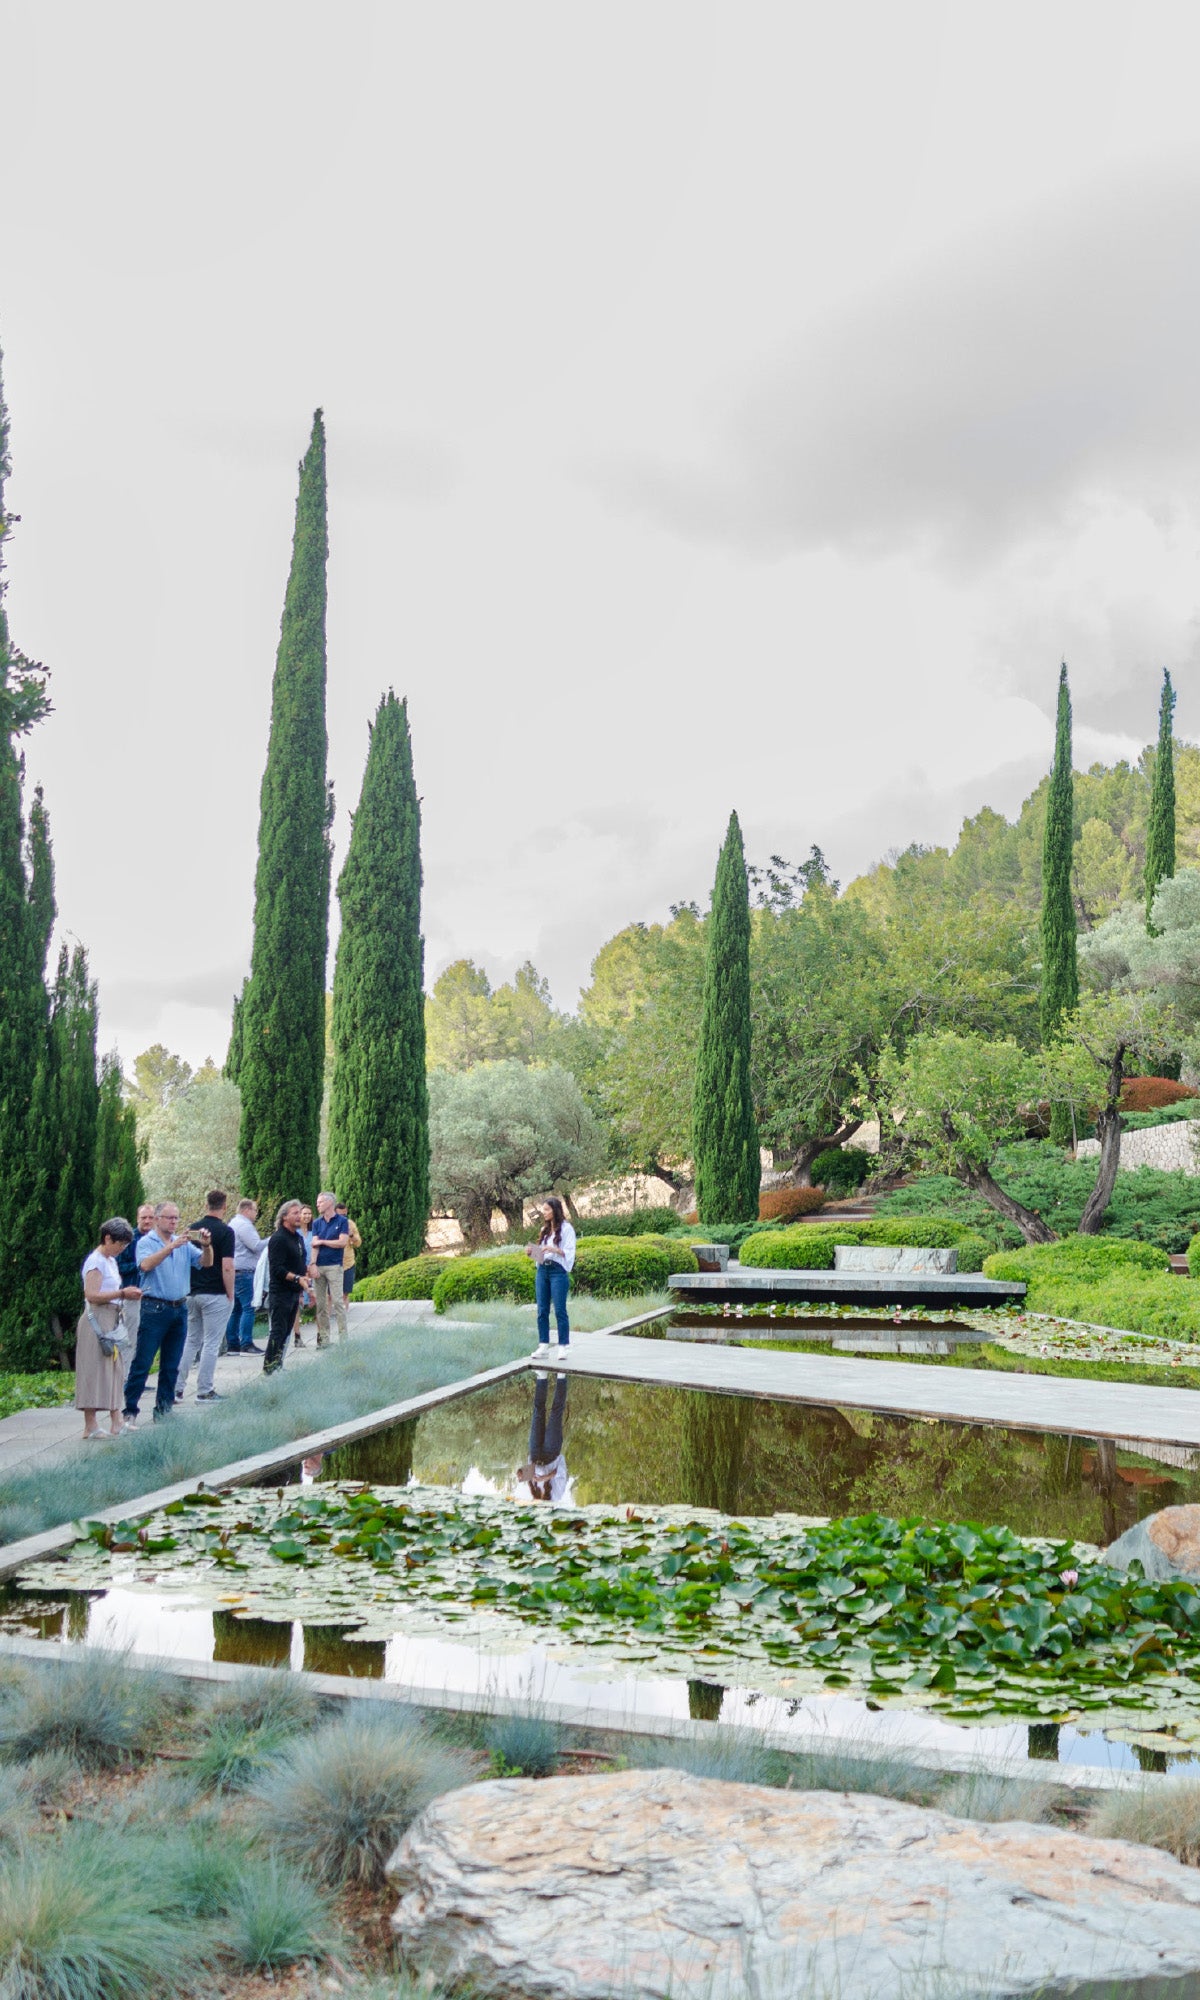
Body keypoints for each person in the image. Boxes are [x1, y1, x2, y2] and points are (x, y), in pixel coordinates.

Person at [123, 1202, 212, 1426]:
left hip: (179, 1307)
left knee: (171, 1363)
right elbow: (145, 1265)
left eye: (176, 1218)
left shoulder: (181, 1242)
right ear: (157, 1220)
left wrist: (207, 1246)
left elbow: (205, 1263)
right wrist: (170, 1248)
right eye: (169, 1218)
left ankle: (163, 1409)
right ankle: (129, 1410)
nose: (173, 1222)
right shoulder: (146, 1242)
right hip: (155, 1307)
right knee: (143, 1361)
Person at [77, 1217, 141, 1439]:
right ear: (107, 1238)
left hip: (112, 1317)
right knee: (93, 1371)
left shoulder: (111, 1261)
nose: (122, 1249)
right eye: (119, 1244)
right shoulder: (95, 1262)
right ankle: (90, 1425)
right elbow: (92, 1295)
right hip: (97, 1319)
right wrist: (122, 1293)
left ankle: (117, 1421)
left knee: (116, 1368)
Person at [177, 1190, 236, 1403]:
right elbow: (227, 1266)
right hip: (215, 1292)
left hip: (192, 1292)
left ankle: (176, 1387)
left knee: (191, 1340)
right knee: (211, 1342)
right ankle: (204, 1389)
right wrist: (230, 1292)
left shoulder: (191, 1229)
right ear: (225, 1206)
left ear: (206, 1204)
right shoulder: (226, 1232)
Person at [263, 1198, 313, 1373]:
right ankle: (269, 1369)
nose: (300, 1216)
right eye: (295, 1213)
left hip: (294, 1293)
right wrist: (297, 1278)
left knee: (286, 1333)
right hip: (280, 1293)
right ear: (284, 1217)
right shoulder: (278, 1239)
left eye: (301, 1212)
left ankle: (278, 1365)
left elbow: (300, 1264)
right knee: (277, 1332)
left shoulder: (298, 1238)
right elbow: (277, 1269)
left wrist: (307, 1279)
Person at [525, 1196, 576, 1359]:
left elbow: (569, 1252)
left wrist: (553, 1250)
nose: (544, 1213)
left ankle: (563, 1346)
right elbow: (541, 1254)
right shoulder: (544, 1230)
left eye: (547, 1209)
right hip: (542, 1271)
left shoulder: (567, 1229)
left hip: (557, 1272)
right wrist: (532, 1252)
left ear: (555, 1210)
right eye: (543, 1210)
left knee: (560, 1310)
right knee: (542, 1310)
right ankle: (543, 1345)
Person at [516, 1370, 569, 1502]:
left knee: (537, 1412)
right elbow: (561, 1472)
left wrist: (521, 1473)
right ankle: (561, 1377)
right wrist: (546, 1478)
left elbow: (527, 1472)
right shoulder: (556, 1497)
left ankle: (542, 1377)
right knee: (556, 1413)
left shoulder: (533, 1494)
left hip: (535, 1454)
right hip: (551, 1454)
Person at [310, 1191, 350, 1345]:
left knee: (338, 1302)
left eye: (320, 1202)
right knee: (321, 1305)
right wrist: (312, 1264)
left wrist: (323, 1242)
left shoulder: (342, 1221)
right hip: (319, 1266)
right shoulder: (316, 1223)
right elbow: (314, 1244)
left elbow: (342, 1242)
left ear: (329, 1203)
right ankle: (324, 1339)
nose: (317, 1205)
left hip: (334, 1266)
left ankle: (343, 1338)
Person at [226, 1198, 265, 1354]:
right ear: (247, 1210)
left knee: (235, 1309)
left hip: (236, 1270)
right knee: (249, 1307)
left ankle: (232, 1344)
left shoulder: (233, 1223)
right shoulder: (244, 1225)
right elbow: (255, 1246)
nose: (256, 1214)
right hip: (245, 1272)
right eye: (255, 1210)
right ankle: (246, 1343)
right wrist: (272, 1240)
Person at [116, 1202, 156, 1347]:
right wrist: (142, 1265)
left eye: (151, 1217)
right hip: (133, 1295)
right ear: (137, 1218)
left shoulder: (161, 1240)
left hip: (155, 1298)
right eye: (143, 1217)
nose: (147, 1221)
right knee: (130, 1338)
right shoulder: (128, 1240)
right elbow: (118, 1266)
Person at [292, 1203, 315, 1347]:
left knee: (316, 1301)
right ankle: (297, 1335)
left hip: (312, 1270)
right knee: (297, 1304)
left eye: (309, 1214)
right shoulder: (295, 1233)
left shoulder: (314, 1232)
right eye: (304, 1213)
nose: (306, 1216)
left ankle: (320, 1336)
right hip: (299, 1271)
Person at [337, 1200, 361, 1299]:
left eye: (345, 1215)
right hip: (333, 1263)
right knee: (330, 1293)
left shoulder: (350, 1224)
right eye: (340, 1215)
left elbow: (358, 1243)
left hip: (348, 1262)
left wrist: (351, 1235)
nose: (343, 1218)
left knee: (345, 1292)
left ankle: (343, 1312)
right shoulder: (329, 1224)